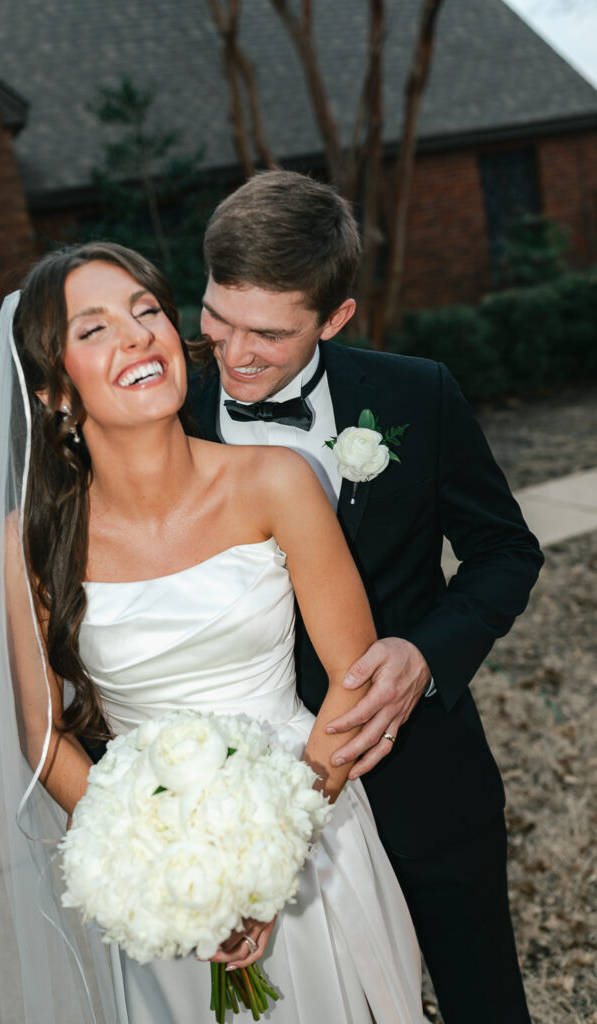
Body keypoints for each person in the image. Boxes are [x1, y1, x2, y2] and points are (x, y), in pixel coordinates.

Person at [0, 241, 423, 1024]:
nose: (138, 335)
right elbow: (43, 738)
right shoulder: (29, 543)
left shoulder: (275, 480)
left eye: (146, 310)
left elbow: (354, 688)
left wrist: (265, 864)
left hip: (313, 832)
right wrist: (156, 868)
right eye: (95, 329)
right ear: (52, 391)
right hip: (164, 892)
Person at [188, 170, 544, 1024]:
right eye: (215, 319)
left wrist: (425, 653)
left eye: (267, 335)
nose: (234, 355)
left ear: (335, 318)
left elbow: (504, 550)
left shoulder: (414, 393)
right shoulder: (163, 411)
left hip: (422, 771)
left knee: (482, 1001)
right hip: (245, 790)